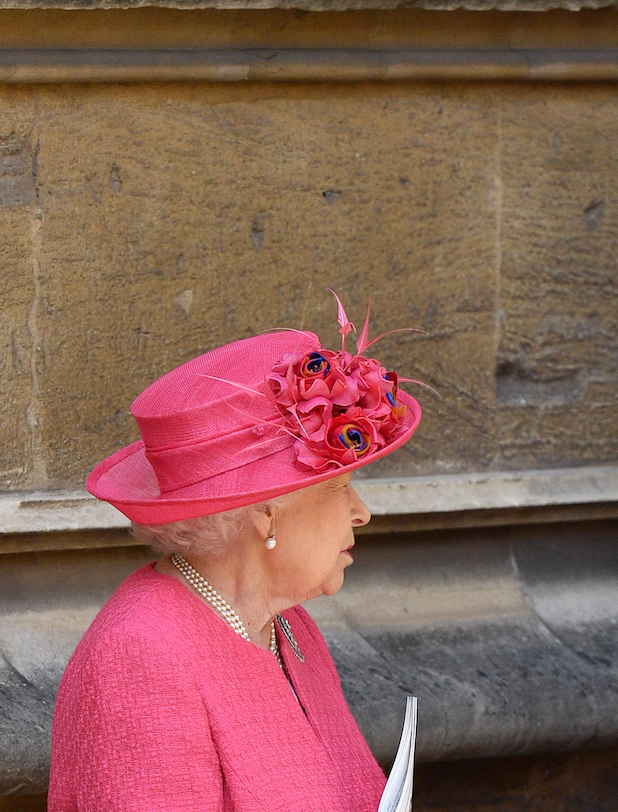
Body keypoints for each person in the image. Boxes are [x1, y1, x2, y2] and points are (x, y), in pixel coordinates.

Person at [48, 298, 421, 811]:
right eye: (340, 488)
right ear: (265, 514)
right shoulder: (138, 658)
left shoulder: (288, 626)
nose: (361, 513)